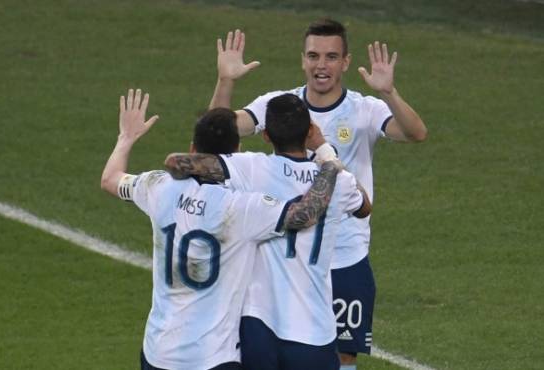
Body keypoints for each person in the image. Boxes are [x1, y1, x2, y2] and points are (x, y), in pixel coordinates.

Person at [207, 20, 428, 369]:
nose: (320, 65)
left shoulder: (364, 109)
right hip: (280, 261)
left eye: (330, 57)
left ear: (344, 61)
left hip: (344, 256)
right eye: (313, 56)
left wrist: (388, 92)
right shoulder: (279, 106)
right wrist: (226, 81)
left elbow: (415, 133)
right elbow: (217, 133)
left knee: (343, 357)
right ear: (302, 60)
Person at [100, 88, 345, 370]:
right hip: (213, 358)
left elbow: (110, 179)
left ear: (193, 148)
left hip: (158, 352)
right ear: (236, 152)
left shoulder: (157, 186)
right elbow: (305, 213)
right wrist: (328, 164)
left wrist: (126, 138)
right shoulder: (242, 209)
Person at [165, 93, 372, 370]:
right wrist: (324, 150)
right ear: (310, 130)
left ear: (266, 136)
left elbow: (179, 162)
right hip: (314, 328)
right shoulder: (339, 181)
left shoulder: (251, 168)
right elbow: (365, 207)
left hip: (258, 326)